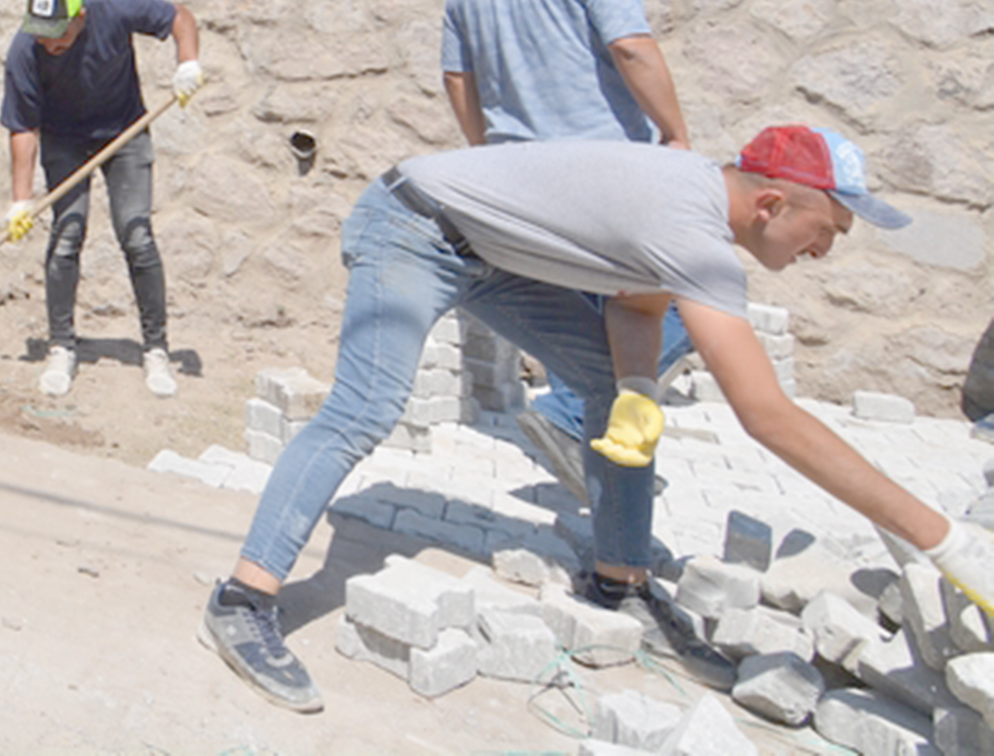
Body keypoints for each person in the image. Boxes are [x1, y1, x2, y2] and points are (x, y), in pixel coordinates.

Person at [197, 126, 994, 716]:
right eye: (829, 231)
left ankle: (620, 581)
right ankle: (244, 598)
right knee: (367, 405)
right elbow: (768, 417)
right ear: (773, 202)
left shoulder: (694, 211)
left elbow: (639, 300)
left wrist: (638, 388)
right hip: (413, 225)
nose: (826, 251)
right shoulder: (697, 232)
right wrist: (948, 543)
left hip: (491, 254)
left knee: (616, 397)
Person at [442, 0, 695, 499]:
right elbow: (631, 46)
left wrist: (486, 152)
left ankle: (595, 452)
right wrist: (675, 133)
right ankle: (571, 423)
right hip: (604, 174)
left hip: (520, 181)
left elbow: (457, 81)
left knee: (592, 323)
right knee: (692, 295)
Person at [0, 0, 203, 399]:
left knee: (136, 234)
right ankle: (61, 345)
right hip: (64, 139)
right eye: (41, 34)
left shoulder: (112, 7)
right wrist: (21, 201)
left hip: (126, 133)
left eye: (58, 34)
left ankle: (156, 349)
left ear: (80, 17)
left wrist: (187, 62)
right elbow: (23, 126)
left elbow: (180, 17)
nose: (48, 44)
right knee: (67, 234)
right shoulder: (25, 49)